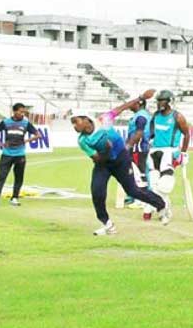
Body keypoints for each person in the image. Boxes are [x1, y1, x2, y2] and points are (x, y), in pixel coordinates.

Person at [70, 93, 172, 236]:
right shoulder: (82, 140)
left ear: (86, 119)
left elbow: (121, 108)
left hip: (121, 160)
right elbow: (97, 158)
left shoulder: (103, 120)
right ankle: (107, 225)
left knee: (133, 191)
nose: (74, 126)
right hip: (103, 164)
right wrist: (106, 150)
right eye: (72, 123)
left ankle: (161, 205)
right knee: (97, 193)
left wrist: (140, 98)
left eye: (76, 121)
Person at [0, 102, 42, 208]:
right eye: (20, 111)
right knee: (2, 177)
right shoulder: (6, 122)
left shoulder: (26, 123)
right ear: (14, 111)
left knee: (19, 178)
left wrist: (26, 141)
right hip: (7, 154)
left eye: (24, 112)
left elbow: (38, 135)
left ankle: (14, 198)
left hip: (20, 155)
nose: (22, 114)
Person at [147, 90, 191, 221]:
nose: (159, 103)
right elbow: (151, 133)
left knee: (165, 183)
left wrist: (183, 153)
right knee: (153, 183)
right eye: (158, 101)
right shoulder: (155, 116)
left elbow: (186, 134)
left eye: (162, 101)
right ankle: (164, 207)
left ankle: (159, 207)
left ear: (169, 102)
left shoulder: (177, 117)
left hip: (170, 151)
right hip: (154, 151)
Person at [123, 98, 153, 211]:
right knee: (136, 172)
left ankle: (142, 199)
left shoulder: (141, 116)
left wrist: (128, 146)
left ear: (139, 104)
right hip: (138, 147)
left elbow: (139, 133)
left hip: (138, 147)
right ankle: (135, 196)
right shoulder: (140, 115)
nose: (129, 104)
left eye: (132, 102)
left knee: (140, 173)